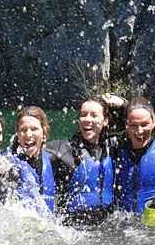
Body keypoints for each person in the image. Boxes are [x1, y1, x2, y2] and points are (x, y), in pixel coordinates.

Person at [46, 97, 116, 228]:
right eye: (83, 115)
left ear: (105, 121)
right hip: (72, 230)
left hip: (109, 228)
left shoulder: (114, 148)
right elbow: (29, 151)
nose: (87, 119)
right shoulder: (61, 149)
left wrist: (123, 104)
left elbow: (138, 126)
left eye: (94, 115)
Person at [9, 106, 59, 213]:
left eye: (34, 129)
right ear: (17, 134)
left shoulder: (52, 159)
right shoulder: (9, 164)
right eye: (23, 130)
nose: (28, 135)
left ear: (44, 132)